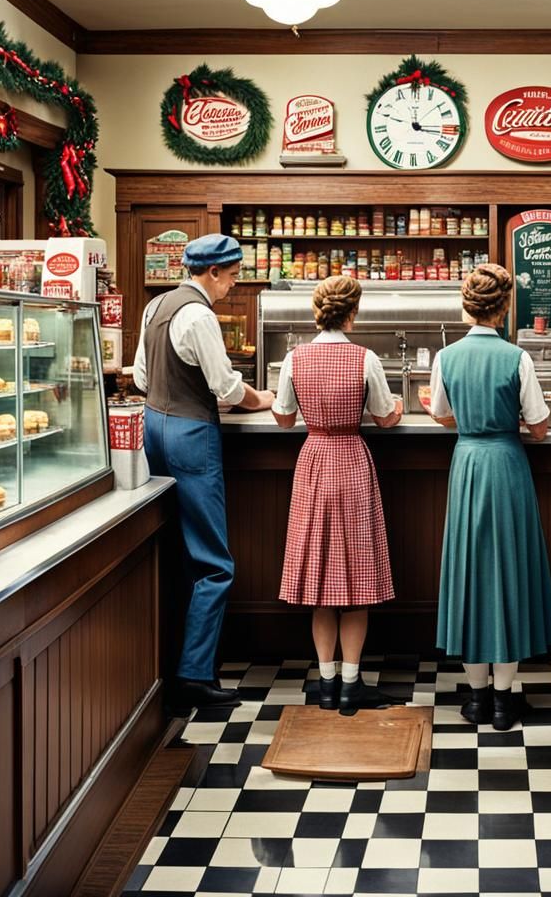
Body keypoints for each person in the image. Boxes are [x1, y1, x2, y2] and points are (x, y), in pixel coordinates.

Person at [133, 233, 274, 711]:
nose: (233, 286)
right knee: (214, 562)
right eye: (232, 276)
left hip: (155, 427)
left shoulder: (157, 307)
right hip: (192, 435)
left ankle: (167, 663)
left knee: (175, 549)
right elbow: (228, 388)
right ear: (212, 272)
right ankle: (194, 675)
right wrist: (266, 399)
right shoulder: (199, 315)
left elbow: (141, 378)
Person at [430, 263, 551, 730]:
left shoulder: (446, 357)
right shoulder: (517, 358)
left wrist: (470, 419)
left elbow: (440, 415)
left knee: (469, 572)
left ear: (466, 307)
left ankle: (477, 698)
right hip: (507, 465)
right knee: (509, 570)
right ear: (503, 309)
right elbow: (541, 429)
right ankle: (505, 700)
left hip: (467, 465)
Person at [272, 276, 402, 715]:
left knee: (321, 583)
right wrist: (398, 407)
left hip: (314, 462)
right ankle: (351, 685)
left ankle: (325, 683)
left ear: (316, 313)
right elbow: (385, 418)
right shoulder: (365, 359)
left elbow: (285, 419)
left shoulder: (294, 358)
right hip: (351, 462)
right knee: (356, 580)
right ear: (352, 314)